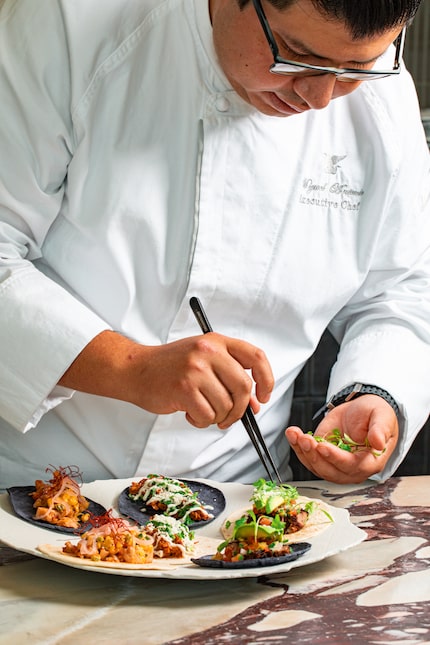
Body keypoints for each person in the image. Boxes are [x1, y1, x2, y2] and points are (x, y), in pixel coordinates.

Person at [1, 0, 429, 489]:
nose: (320, 96)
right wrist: (132, 368)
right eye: (294, 53)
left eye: (356, 69)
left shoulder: (384, 105)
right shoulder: (66, 27)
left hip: (237, 506)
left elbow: (403, 293)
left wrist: (375, 394)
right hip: (28, 488)